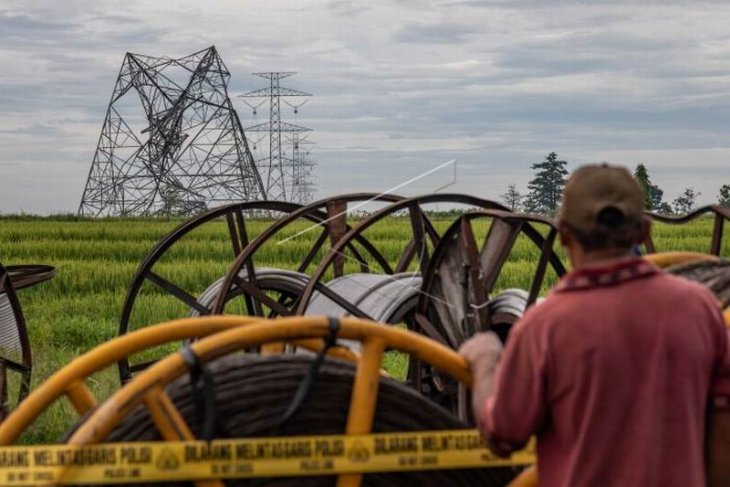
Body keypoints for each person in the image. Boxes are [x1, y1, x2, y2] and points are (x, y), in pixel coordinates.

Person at [459, 163, 728, 486]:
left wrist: (486, 361)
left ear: (563, 235)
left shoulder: (544, 325)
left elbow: (503, 433)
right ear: (644, 231)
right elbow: (723, 425)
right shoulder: (700, 309)